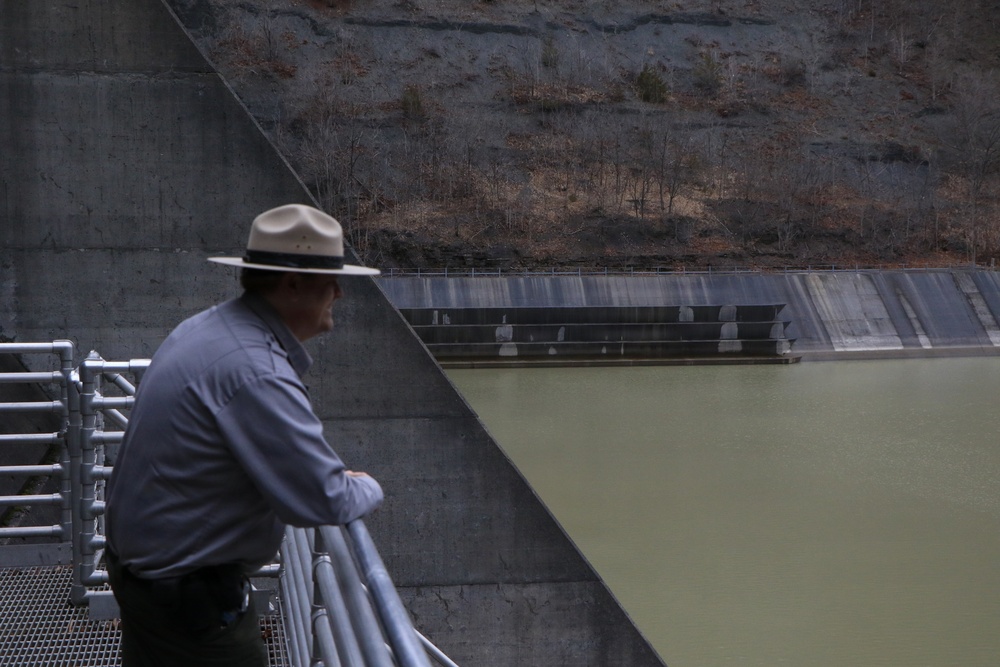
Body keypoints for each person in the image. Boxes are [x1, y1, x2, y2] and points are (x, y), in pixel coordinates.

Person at [105, 204, 385, 667]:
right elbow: (324, 499)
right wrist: (370, 485)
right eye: (330, 280)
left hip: (151, 579)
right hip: (186, 603)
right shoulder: (255, 370)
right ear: (292, 284)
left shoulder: (211, 329)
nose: (338, 291)